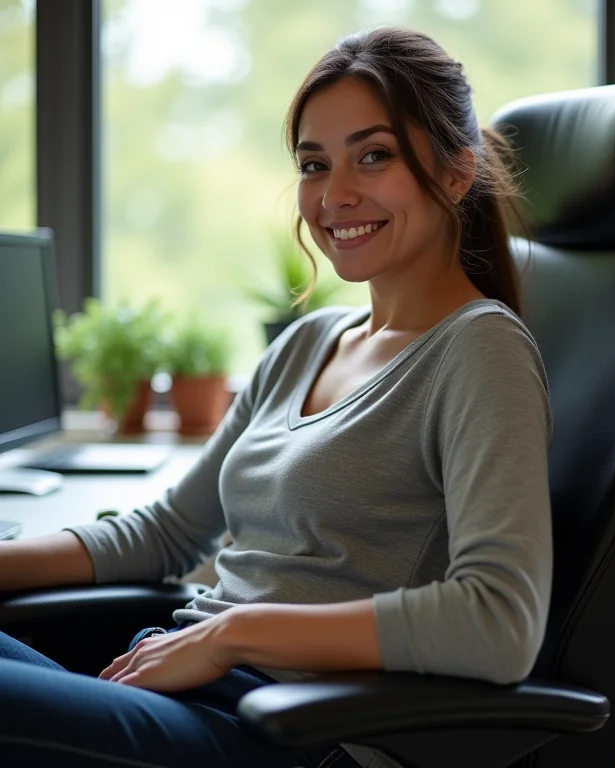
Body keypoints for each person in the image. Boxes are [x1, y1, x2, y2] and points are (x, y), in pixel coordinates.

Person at [0, 25, 553, 768]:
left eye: (374, 155)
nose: (335, 195)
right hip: (178, 689)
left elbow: (499, 622)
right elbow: (166, 533)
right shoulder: (306, 342)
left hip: (283, 733)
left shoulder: (479, 349)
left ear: (457, 173)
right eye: (313, 164)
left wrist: (231, 633)